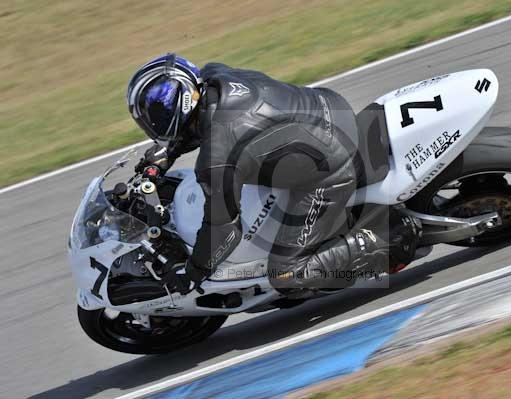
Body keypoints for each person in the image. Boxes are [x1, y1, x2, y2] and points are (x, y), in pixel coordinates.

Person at [127, 53, 420, 297]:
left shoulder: (217, 156)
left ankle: (384, 238)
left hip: (331, 169)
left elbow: (225, 230)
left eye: (155, 115)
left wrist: (194, 273)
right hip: (331, 108)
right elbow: (201, 123)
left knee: (288, 275)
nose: (152, 123)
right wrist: (166, 157)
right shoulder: (215, 76)